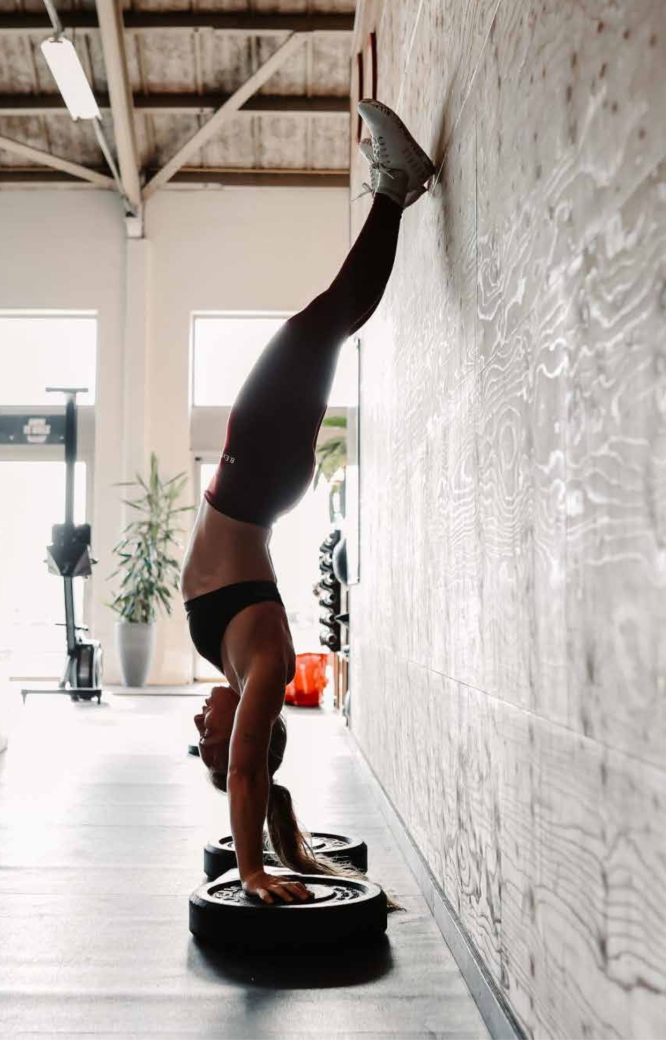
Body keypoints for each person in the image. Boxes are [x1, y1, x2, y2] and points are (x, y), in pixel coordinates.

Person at [185, 100, 435, 903]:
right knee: (320, 325)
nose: (200, 728)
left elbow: (251, 759)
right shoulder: (263, 664)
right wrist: (253, 866)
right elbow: (254, 759)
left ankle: (396, 190)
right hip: (254, 480)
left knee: (320, 326)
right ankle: (396, 188)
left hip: (252, 478)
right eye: (207, 743)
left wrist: (261, 832)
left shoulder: (224, 653)